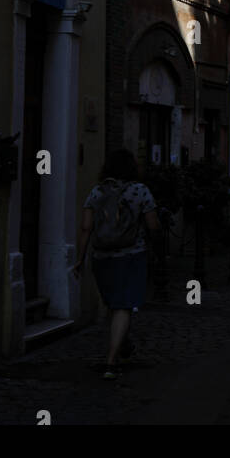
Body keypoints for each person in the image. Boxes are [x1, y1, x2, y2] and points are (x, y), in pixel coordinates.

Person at [74, 149, 160, 379]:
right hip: (132, 255)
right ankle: (111, 361)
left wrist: (80, 259)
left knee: (114, 304)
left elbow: (86, 228)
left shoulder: (96, 192)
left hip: (102, 257)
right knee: (124, 305)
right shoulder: (140, 191)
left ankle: (121, 344)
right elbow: (153, 226)